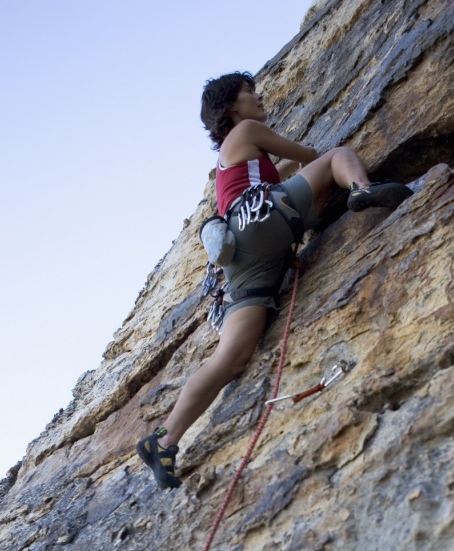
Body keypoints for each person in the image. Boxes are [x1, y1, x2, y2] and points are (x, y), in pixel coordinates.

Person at [137, 71, 412, 489]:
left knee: (230, 358)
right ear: (232, 106)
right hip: (263, 220)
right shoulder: (249, 129)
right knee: (339, 155)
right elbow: (310, 154)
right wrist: (313, 169)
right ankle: (361, 190)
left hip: (240, 260)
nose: (258, 96)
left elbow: (275, 173)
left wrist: (283, 174)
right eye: (250, 92)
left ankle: (165, 438)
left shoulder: (232, 161)